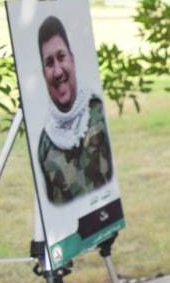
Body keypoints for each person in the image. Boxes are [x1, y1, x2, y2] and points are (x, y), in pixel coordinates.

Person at [35, 16, 115, 205]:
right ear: (43, 73)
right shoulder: (44, 147)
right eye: (49, 63)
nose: (57, 71)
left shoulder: (99, 113)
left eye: (61, 57)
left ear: (73, 59)